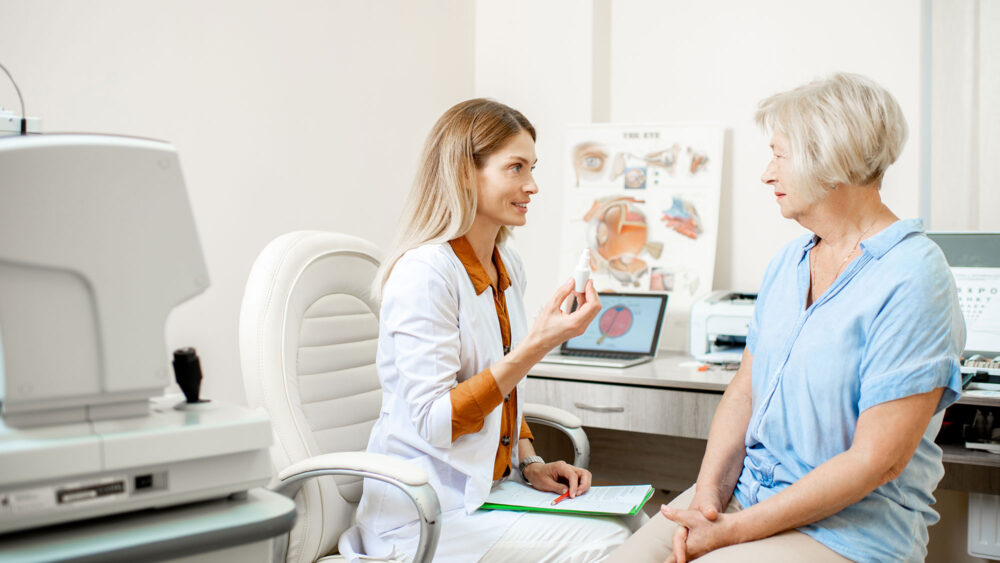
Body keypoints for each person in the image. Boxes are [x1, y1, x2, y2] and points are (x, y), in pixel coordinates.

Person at [609, 73, 966, 562]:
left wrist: (730, 534)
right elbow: (744, 390)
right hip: (746, 496)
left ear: (831, 157)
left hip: (849, 529)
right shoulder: (789, 262)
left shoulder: (913, 277)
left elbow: (875, 461)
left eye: (780, 154)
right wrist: (709, 500)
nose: (767, 173)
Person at [340, 99, 633, 562]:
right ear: (463, 173)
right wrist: (538, 345)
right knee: (615, 542)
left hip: (490, 492)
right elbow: (437, 421)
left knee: (635, 522)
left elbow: (501, 392)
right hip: (426, 513)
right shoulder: (426, 273)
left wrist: (530, 461)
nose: (532, 185)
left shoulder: (506, 264)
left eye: (532, 168)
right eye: (516, 168)